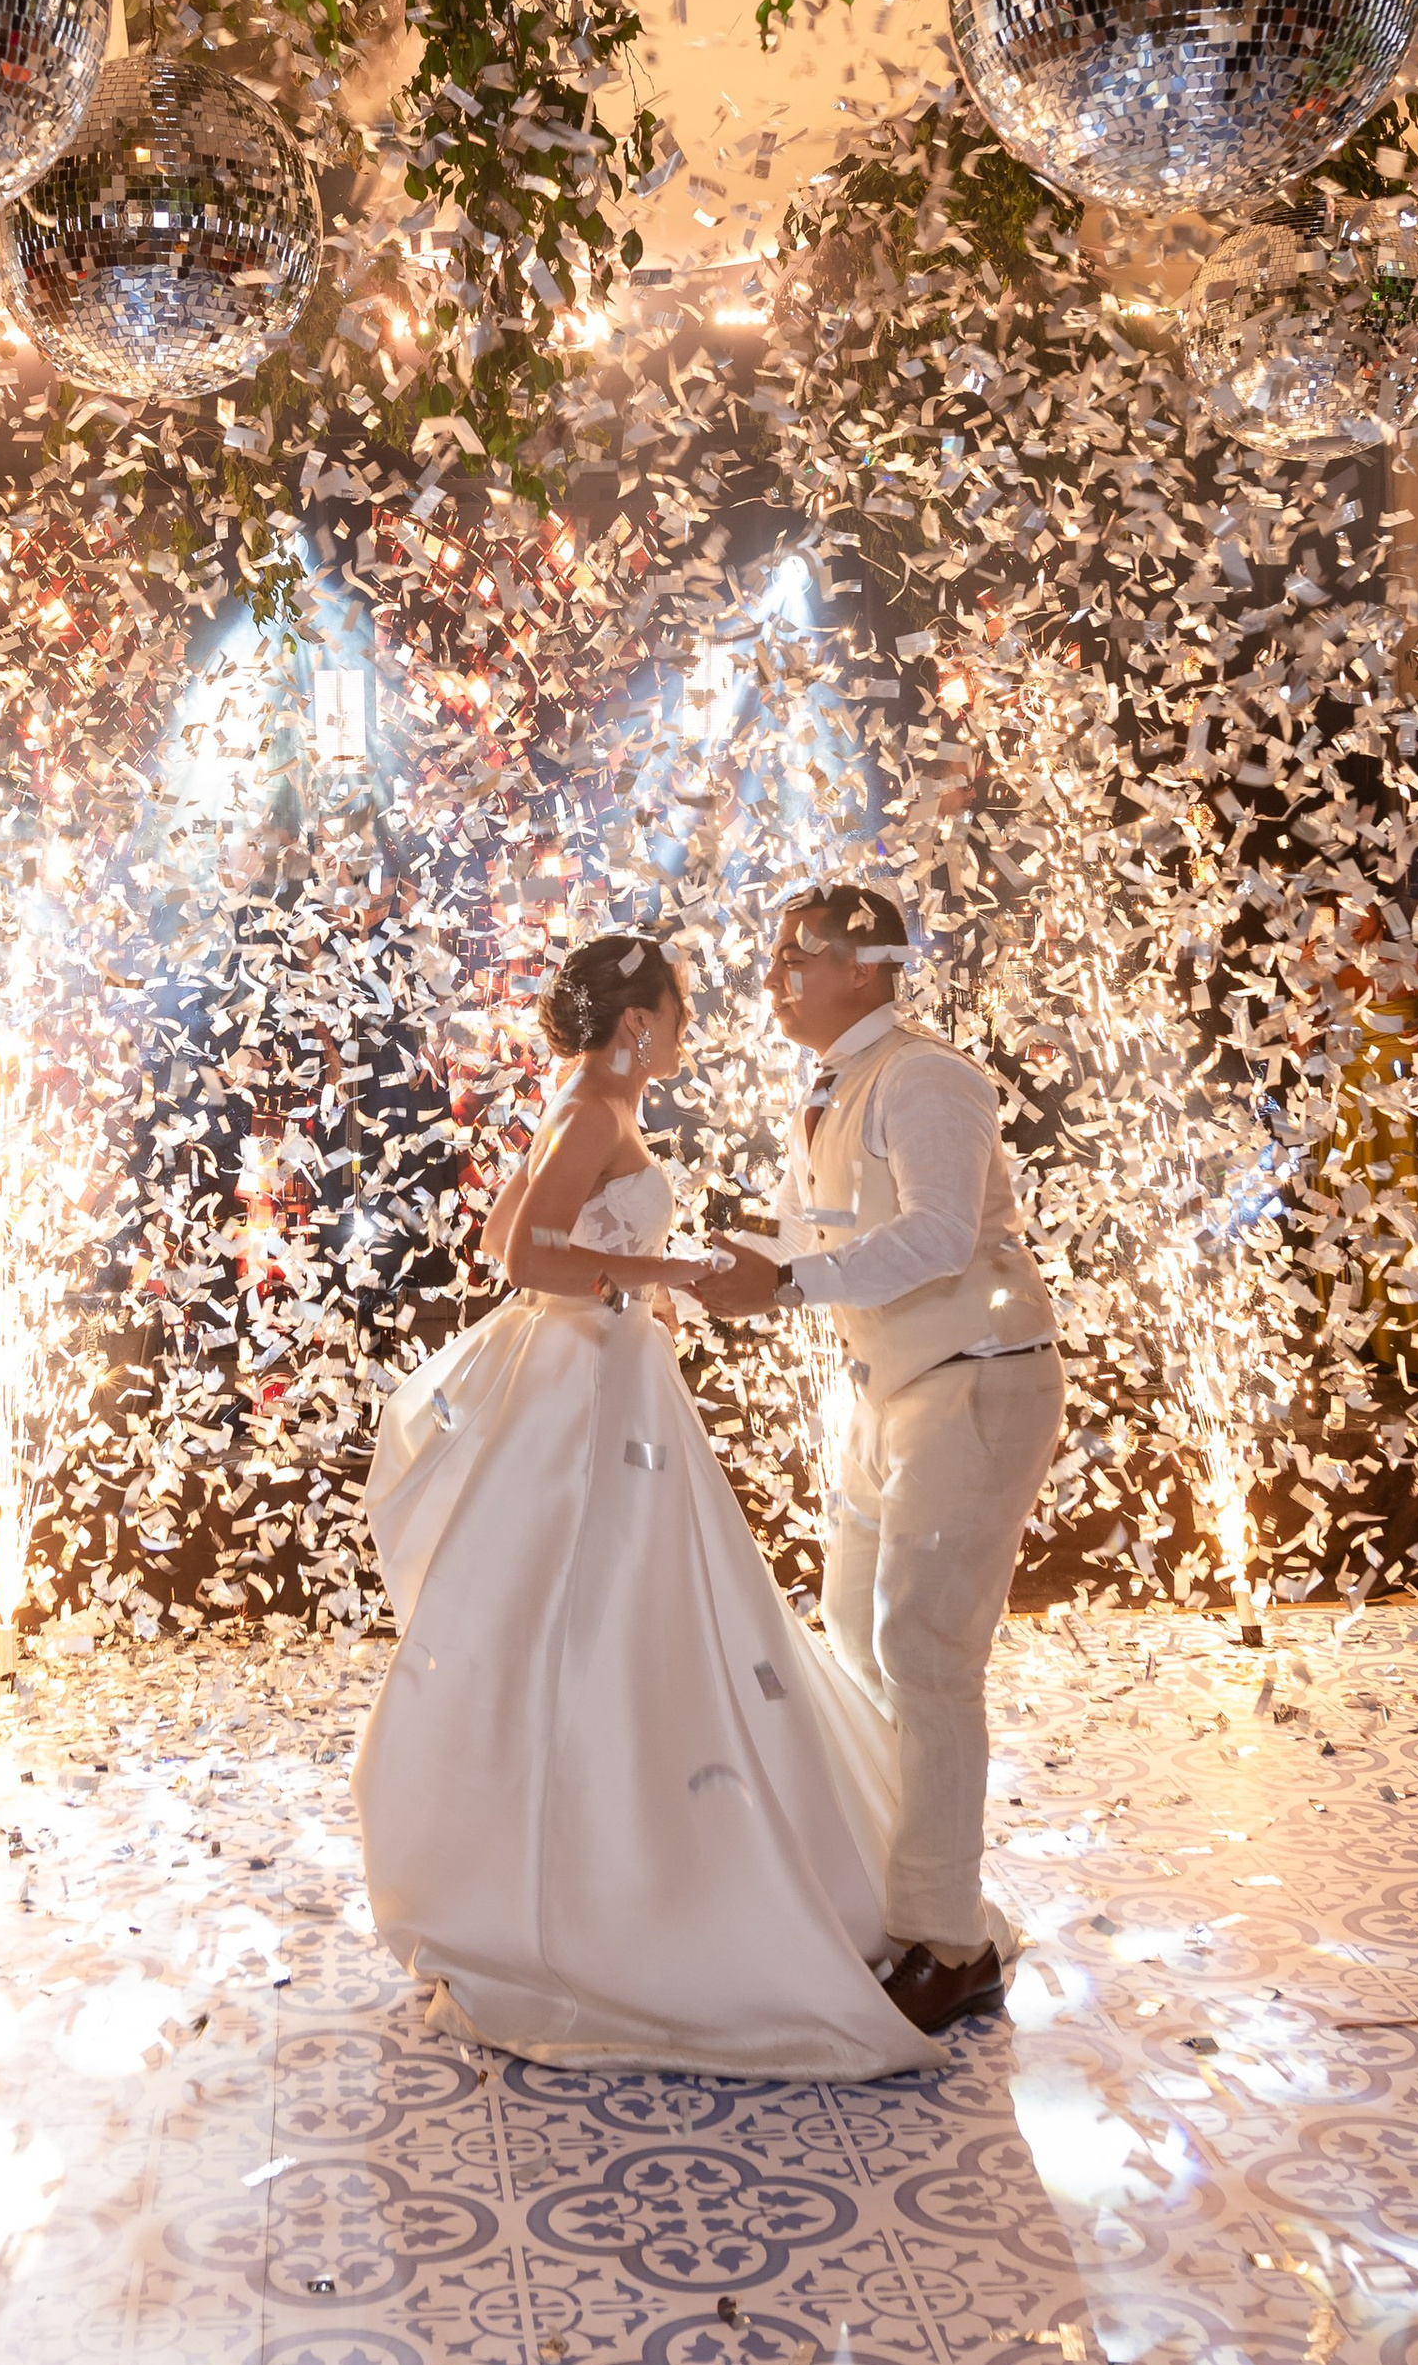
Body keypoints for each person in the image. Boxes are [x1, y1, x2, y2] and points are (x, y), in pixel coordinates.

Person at [353, 931, 968, 2081]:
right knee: (618, 1606)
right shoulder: (592, 1105)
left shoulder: (583, 1101)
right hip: (590, 1388)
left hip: (603, 1372)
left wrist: (637, 1278)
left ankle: (610, 1848)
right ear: (636, 1022)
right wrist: (668, 1273)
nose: (687, 1030)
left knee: (616, 1606)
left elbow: (515, 1239)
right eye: (678, 1012)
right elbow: (524, 1259)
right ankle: (632, 1892)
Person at [686, 886, 1064, 2036]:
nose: (772, 975)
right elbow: (839, 1232)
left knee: (924, 1649)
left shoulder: (926, 1076)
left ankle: (949, 1940)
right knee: (854, 1635)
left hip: (977, 1373)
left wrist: (787, 1282)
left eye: (793, 955)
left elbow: (942, 1233)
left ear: (865, 965)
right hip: (888, 1388)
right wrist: (733, 1258)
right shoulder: (834, 1085)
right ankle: (891, 1888)